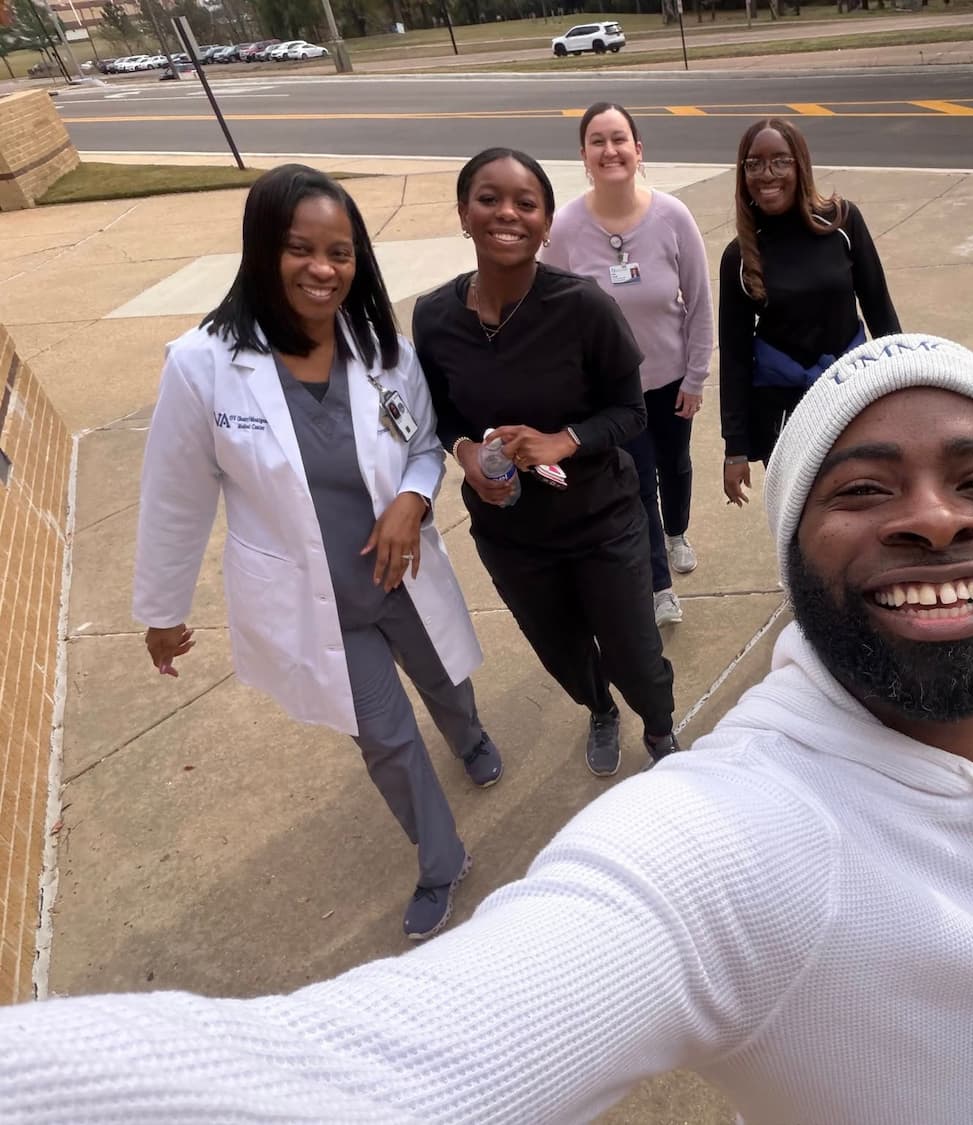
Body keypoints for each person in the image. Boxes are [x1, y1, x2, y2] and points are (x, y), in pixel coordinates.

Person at [0, 334, 973, 1125]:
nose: (935, 521)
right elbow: (368, 1080)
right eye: (864, 490)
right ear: (791, 559)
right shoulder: (731, 847)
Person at [132, 164, 500, 941]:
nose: (323, 269)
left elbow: (424, 446)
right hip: (321, 602)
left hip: (398, 577)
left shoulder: (380, 348)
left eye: (340, 252)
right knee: (388, 740)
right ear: (263, 250)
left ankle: (469, 736)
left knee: (446, 680)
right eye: (301, 249)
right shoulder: (202, 366)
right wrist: (161, 613)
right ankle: (441, 861)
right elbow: (174, 498)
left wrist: (412, 497)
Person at [413, 147, 680, 779]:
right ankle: (598, 709)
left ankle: (663, 731)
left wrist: (565, 440)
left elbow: (631, 412)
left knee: (634, 652)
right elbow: (440, 413)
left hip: (601, 519)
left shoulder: (582, 306)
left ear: (545, 224)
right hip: (511, 534)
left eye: (525, 203)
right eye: (489, 198)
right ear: (463, 213)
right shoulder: (434, 317)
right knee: (561, 650)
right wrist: (464, 451)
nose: (507, 213)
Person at [543, 102, 713, 628]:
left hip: (672, 381)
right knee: (638, 484)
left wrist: (697, 376)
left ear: (639, 151)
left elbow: (701, 301)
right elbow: (552, 314)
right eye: (598, 141)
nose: (610, 150)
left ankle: (677, 529)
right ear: (584, 156)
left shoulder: (672, 216)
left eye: (620, 139)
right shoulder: (566, 229)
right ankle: (659, 587)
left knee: (674, 469)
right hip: (614, 396)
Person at [719, 116, 901, 508]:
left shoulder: (842, 222)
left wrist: (901, 392)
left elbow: (880, 312)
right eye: (754, 164)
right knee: (804, 515)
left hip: (852, 392)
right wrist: (735, 449)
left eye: (780, 161)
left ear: (800, 165)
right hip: (783, 412)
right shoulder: (739, 255)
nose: (767, 174)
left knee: (864, 502)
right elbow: (734, 358)